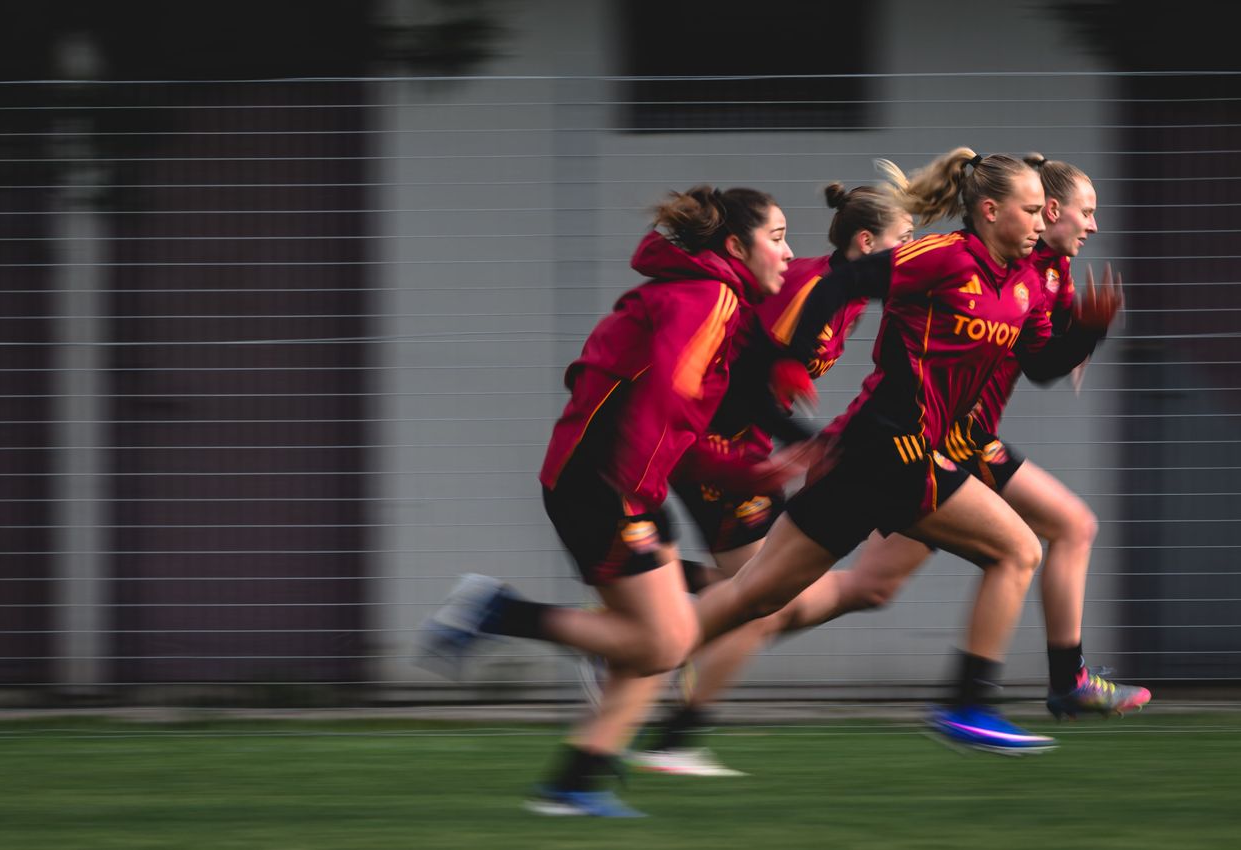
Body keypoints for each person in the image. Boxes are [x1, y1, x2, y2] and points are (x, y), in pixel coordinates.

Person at [629, 155, 1147, 772]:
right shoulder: (943, 257)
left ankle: (634, 648)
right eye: (1031, 210)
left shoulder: (1027, 284)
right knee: (1017, 551)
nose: (1042, 222)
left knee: (757, 599)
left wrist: (1086, 334)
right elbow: (839, 282)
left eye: (1043, 212)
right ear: (989, 211)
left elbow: (1037, 364)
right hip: (893, 447)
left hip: (876, 457)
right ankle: (969, 706)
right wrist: (785, 358)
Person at [412, 185, 815, 816]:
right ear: (737, 246)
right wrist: (636, 497)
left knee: (668, 641)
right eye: (779, 236)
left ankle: (576, 782)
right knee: (661, 644)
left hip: (617, 482)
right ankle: (497, 613)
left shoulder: (709, 298)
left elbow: (686, 428)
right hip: (604, 485)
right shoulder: (710, 297)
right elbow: (667, 406)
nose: (790, 253)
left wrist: (762, 472)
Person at [601, 174, 916, 776]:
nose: (912, 253)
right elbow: (740, 377)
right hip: (720, 444)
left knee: (769, 597)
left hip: (743, 443)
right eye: (906, 239)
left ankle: (642, 634)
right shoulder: (810, 286)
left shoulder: (846, 295)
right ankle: (651, 681)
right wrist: (808, 442)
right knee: (764, 602)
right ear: (870, 241)